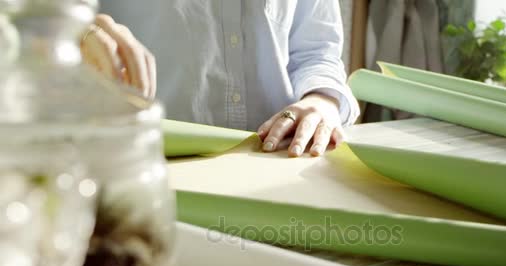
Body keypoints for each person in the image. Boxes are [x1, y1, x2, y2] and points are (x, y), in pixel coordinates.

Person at [81, 0, 360, 157]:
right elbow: (47, 31)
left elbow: (317, 52)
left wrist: (322, 100)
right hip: (145, 169)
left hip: (280, 164)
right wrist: (74, 35)